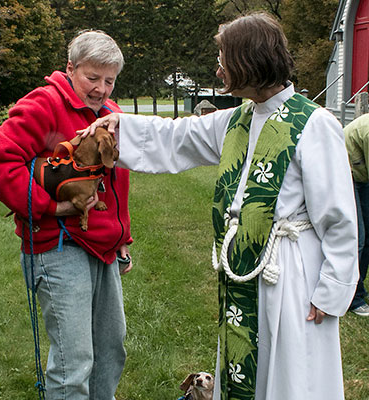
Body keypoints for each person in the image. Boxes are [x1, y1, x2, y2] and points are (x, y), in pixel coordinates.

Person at [79, 12, 358, 400]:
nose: (219, 68)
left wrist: (332, 288)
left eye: (225, 58)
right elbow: (179, 136)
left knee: (294, 372)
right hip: (244, 275)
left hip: (292, 276)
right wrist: (117, 127)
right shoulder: (237, 120)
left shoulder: (313, 124)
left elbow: (340, 216)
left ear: (250, 61)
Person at [0, 30, 132, 400]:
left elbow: (117, 182)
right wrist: (50, 207)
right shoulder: (43, 105)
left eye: (109, 80)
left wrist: (122, 237)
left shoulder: (112, 114)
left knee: (110, 350)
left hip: (102, 247)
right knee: (73, 362)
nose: (101, 89)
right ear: (70, 68)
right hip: (58, 245)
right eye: (92, 78)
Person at [344, 113, 369, 316]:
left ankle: (359, 288)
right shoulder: (368, 131)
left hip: (363, 175)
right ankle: (353, 297)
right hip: (346, 174)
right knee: (357, 237)